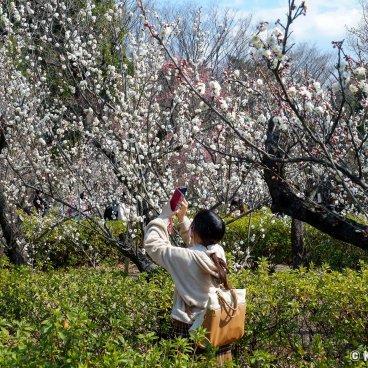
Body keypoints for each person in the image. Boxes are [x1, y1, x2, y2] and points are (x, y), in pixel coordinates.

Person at [144, 198, 232, 363]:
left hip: (189, 326)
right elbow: (196, 246)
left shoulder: (185, 257)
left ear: (195, 231)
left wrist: (163, 216)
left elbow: (152, 245)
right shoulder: (218, 252)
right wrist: (183, 219)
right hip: (214, 321)